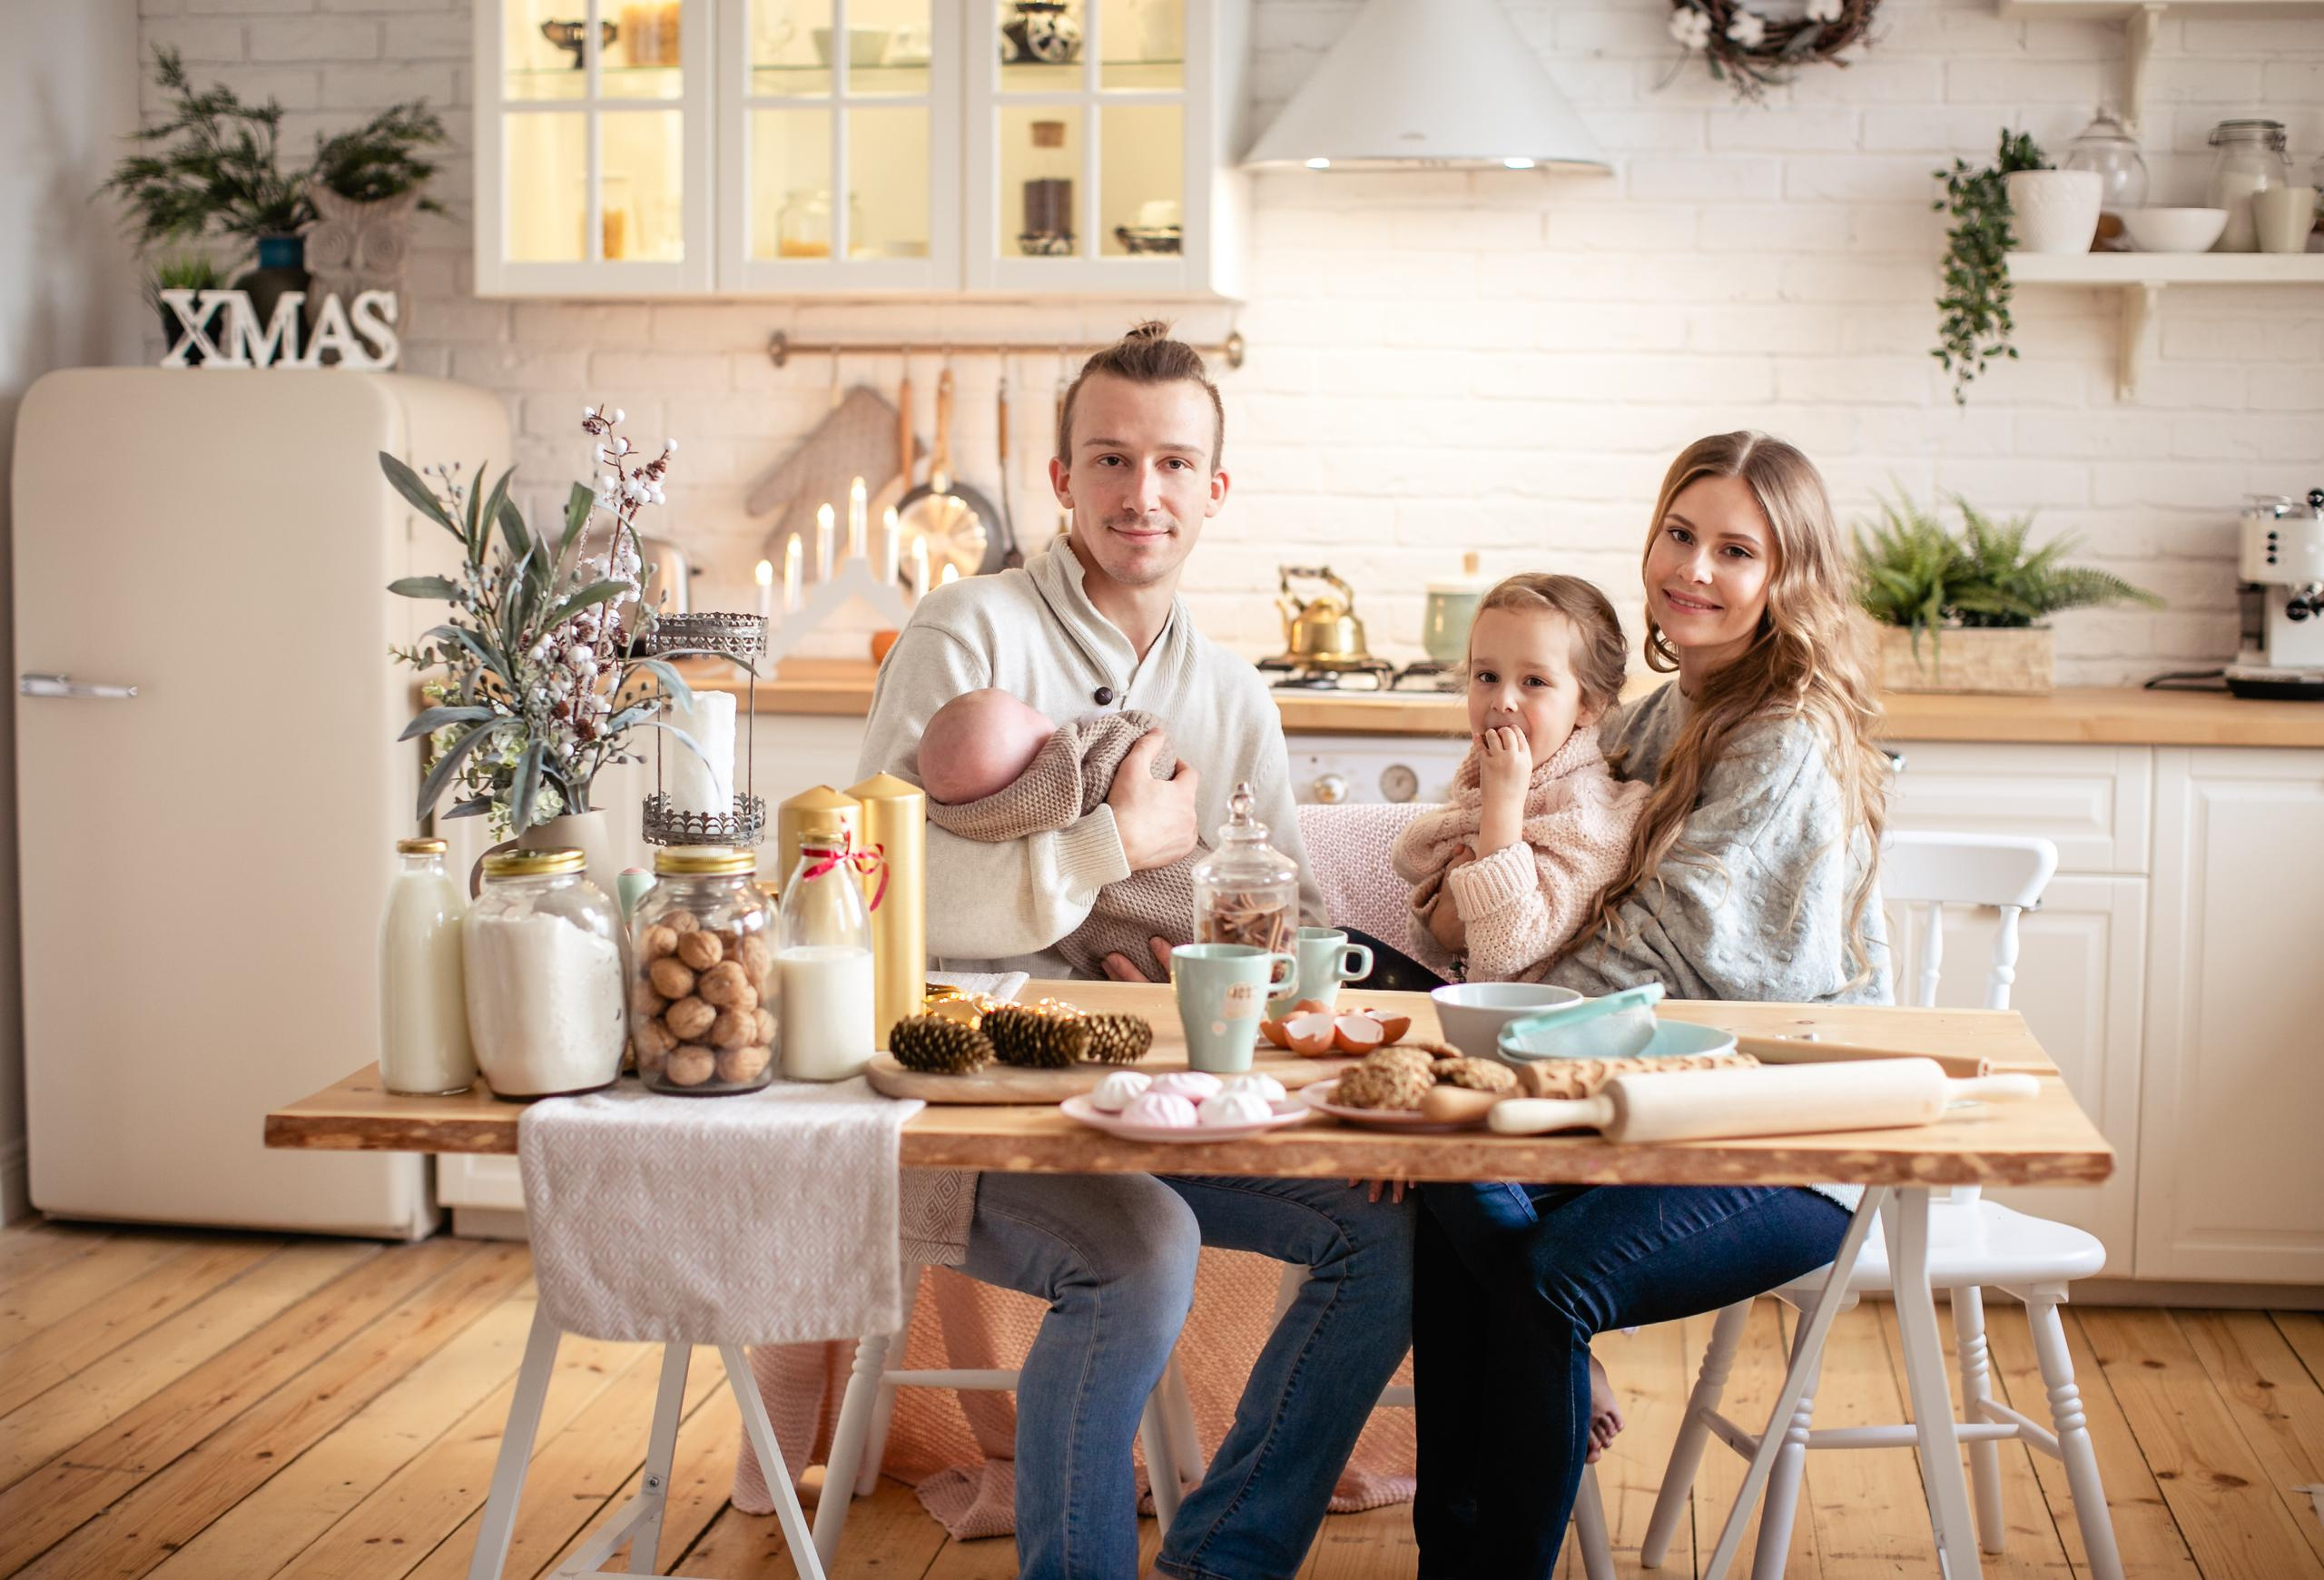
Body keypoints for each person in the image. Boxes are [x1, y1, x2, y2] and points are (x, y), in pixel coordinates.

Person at [856, 322, 1413, 1580]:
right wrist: (1110, 843)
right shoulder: (966, 631)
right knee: (1144, 1252)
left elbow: (1296, 924)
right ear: (1063, 480)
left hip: (1161, 1097)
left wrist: (1231, 977)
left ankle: (1220, 1559)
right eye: (1109, 460)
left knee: (1391, 1238)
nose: (1140, 493)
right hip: (975, 1103)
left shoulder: (1234, 695)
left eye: (1172, 464)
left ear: (1215, 490)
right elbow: (876, 894)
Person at [1410, 431, 1896, 1578]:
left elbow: (1657, 956)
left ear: (1787, 575)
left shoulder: (1783, 736)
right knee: (1440, 1182)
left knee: (1539, 1281)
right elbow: (1541, 863)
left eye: (1737, 550)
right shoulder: (1658, 714)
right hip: (1651, 1092)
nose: (1695, 568)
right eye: (1680, 533)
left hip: (1782, 1131)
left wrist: (1474, 1043)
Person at [1392, 573, 1649, 986]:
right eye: (1487, 677)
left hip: (1538, 1017)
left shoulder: (1589, 816)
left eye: (1534, 682)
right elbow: (1438, 944)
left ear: (1590, 705)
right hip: (1479, 1005)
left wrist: (1502, 807)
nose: (1503, 700)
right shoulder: (1496, 785)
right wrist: (1442, 920)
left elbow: (1503, 947)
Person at [915, 687, 1203, 981]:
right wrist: (1106, 845)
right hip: (1007, 1001)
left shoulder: (987, 818)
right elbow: (897, 896)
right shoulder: (1088, 768)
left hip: (1190, 968)